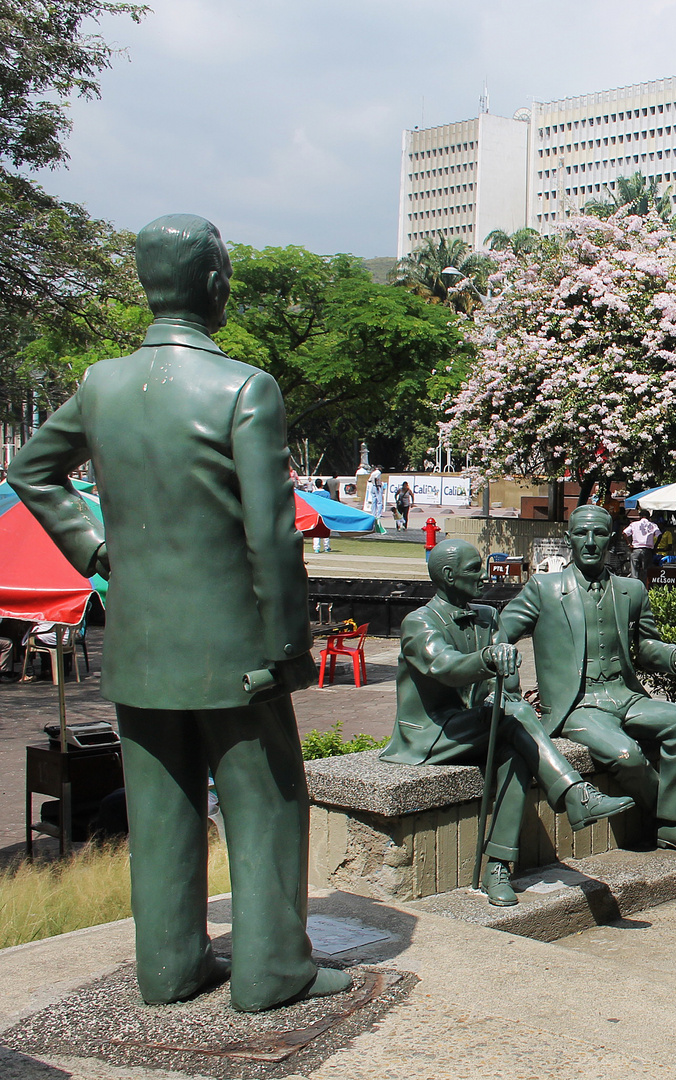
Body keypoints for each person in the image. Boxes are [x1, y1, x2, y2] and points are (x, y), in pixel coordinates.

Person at [7, 214, 348, 1011]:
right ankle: (270, 971)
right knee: (266, 803)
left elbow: (33, 471)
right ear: (214, 284)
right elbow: (271, 533)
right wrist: (290, 647)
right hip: (236, 651)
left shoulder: (100, 384)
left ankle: (167, 969)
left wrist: (96, 551)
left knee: (160, 814)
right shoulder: (243, 387)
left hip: (139, 645)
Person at [381, 539, 634, 906]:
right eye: (474, 569)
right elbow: (446, 667)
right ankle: (576, 795)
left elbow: (509, 683)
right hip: (433, 733)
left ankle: (497, 866)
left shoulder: (486, 616)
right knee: (515, 716)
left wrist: (503, 670)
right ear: (449, 576)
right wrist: (488, 658)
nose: (484, 575)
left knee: (514, 755)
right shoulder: (418, 623)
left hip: (477, 725)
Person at [499, 505, 676, 856]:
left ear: (612, 539)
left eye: (598, 534)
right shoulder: (544, 588)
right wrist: (494, 661)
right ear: (568, 538)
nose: (589, 541)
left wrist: (673, 655)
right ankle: (672, 819)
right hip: (578, 706)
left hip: (625, 695)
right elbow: (499, 634)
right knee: (628, 754)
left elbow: (645, 648)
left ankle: (672, 827)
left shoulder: (630, 590)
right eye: (581, 534)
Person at [624, 508, 661, 585]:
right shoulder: (653, 525)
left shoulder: (634, 524)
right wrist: (655, 546)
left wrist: (629, 545)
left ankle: (635, 588)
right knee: (646, 572)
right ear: (649, 517)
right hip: (647, 551)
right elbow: (659, 535)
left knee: (634, 572)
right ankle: (645, 588)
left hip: (636, 549)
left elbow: (624, 533)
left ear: (639, 516)